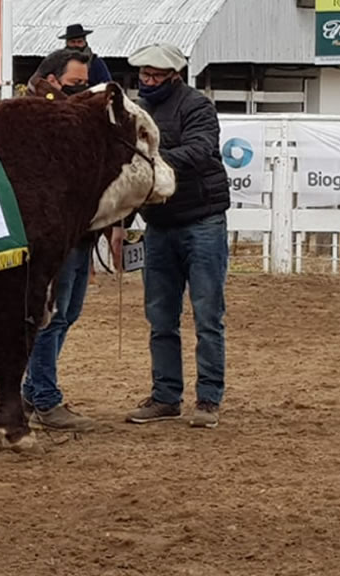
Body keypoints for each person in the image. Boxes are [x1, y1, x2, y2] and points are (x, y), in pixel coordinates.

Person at [115, 43, 230, 429]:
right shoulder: (138, 112)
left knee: (206, 314)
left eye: (154, 76)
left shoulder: (197, 107)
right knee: (161, 316)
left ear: (173, 76)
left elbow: (200, 150)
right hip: (161, 224)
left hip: (201, 221)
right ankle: (167, 396)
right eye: (144, 76)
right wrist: (125, 217)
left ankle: (207, 398)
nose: (147, 82)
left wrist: (150, 163)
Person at [20, 49, 96, 432]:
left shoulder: (68, 119)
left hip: (77, 233)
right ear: (51, 81)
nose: (81, 92)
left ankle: (32, 394)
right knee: (51, 316)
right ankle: (45, 398)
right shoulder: (36, 119)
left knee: (66, 314)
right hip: (54, 235)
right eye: (74, 85)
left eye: (84, 84)